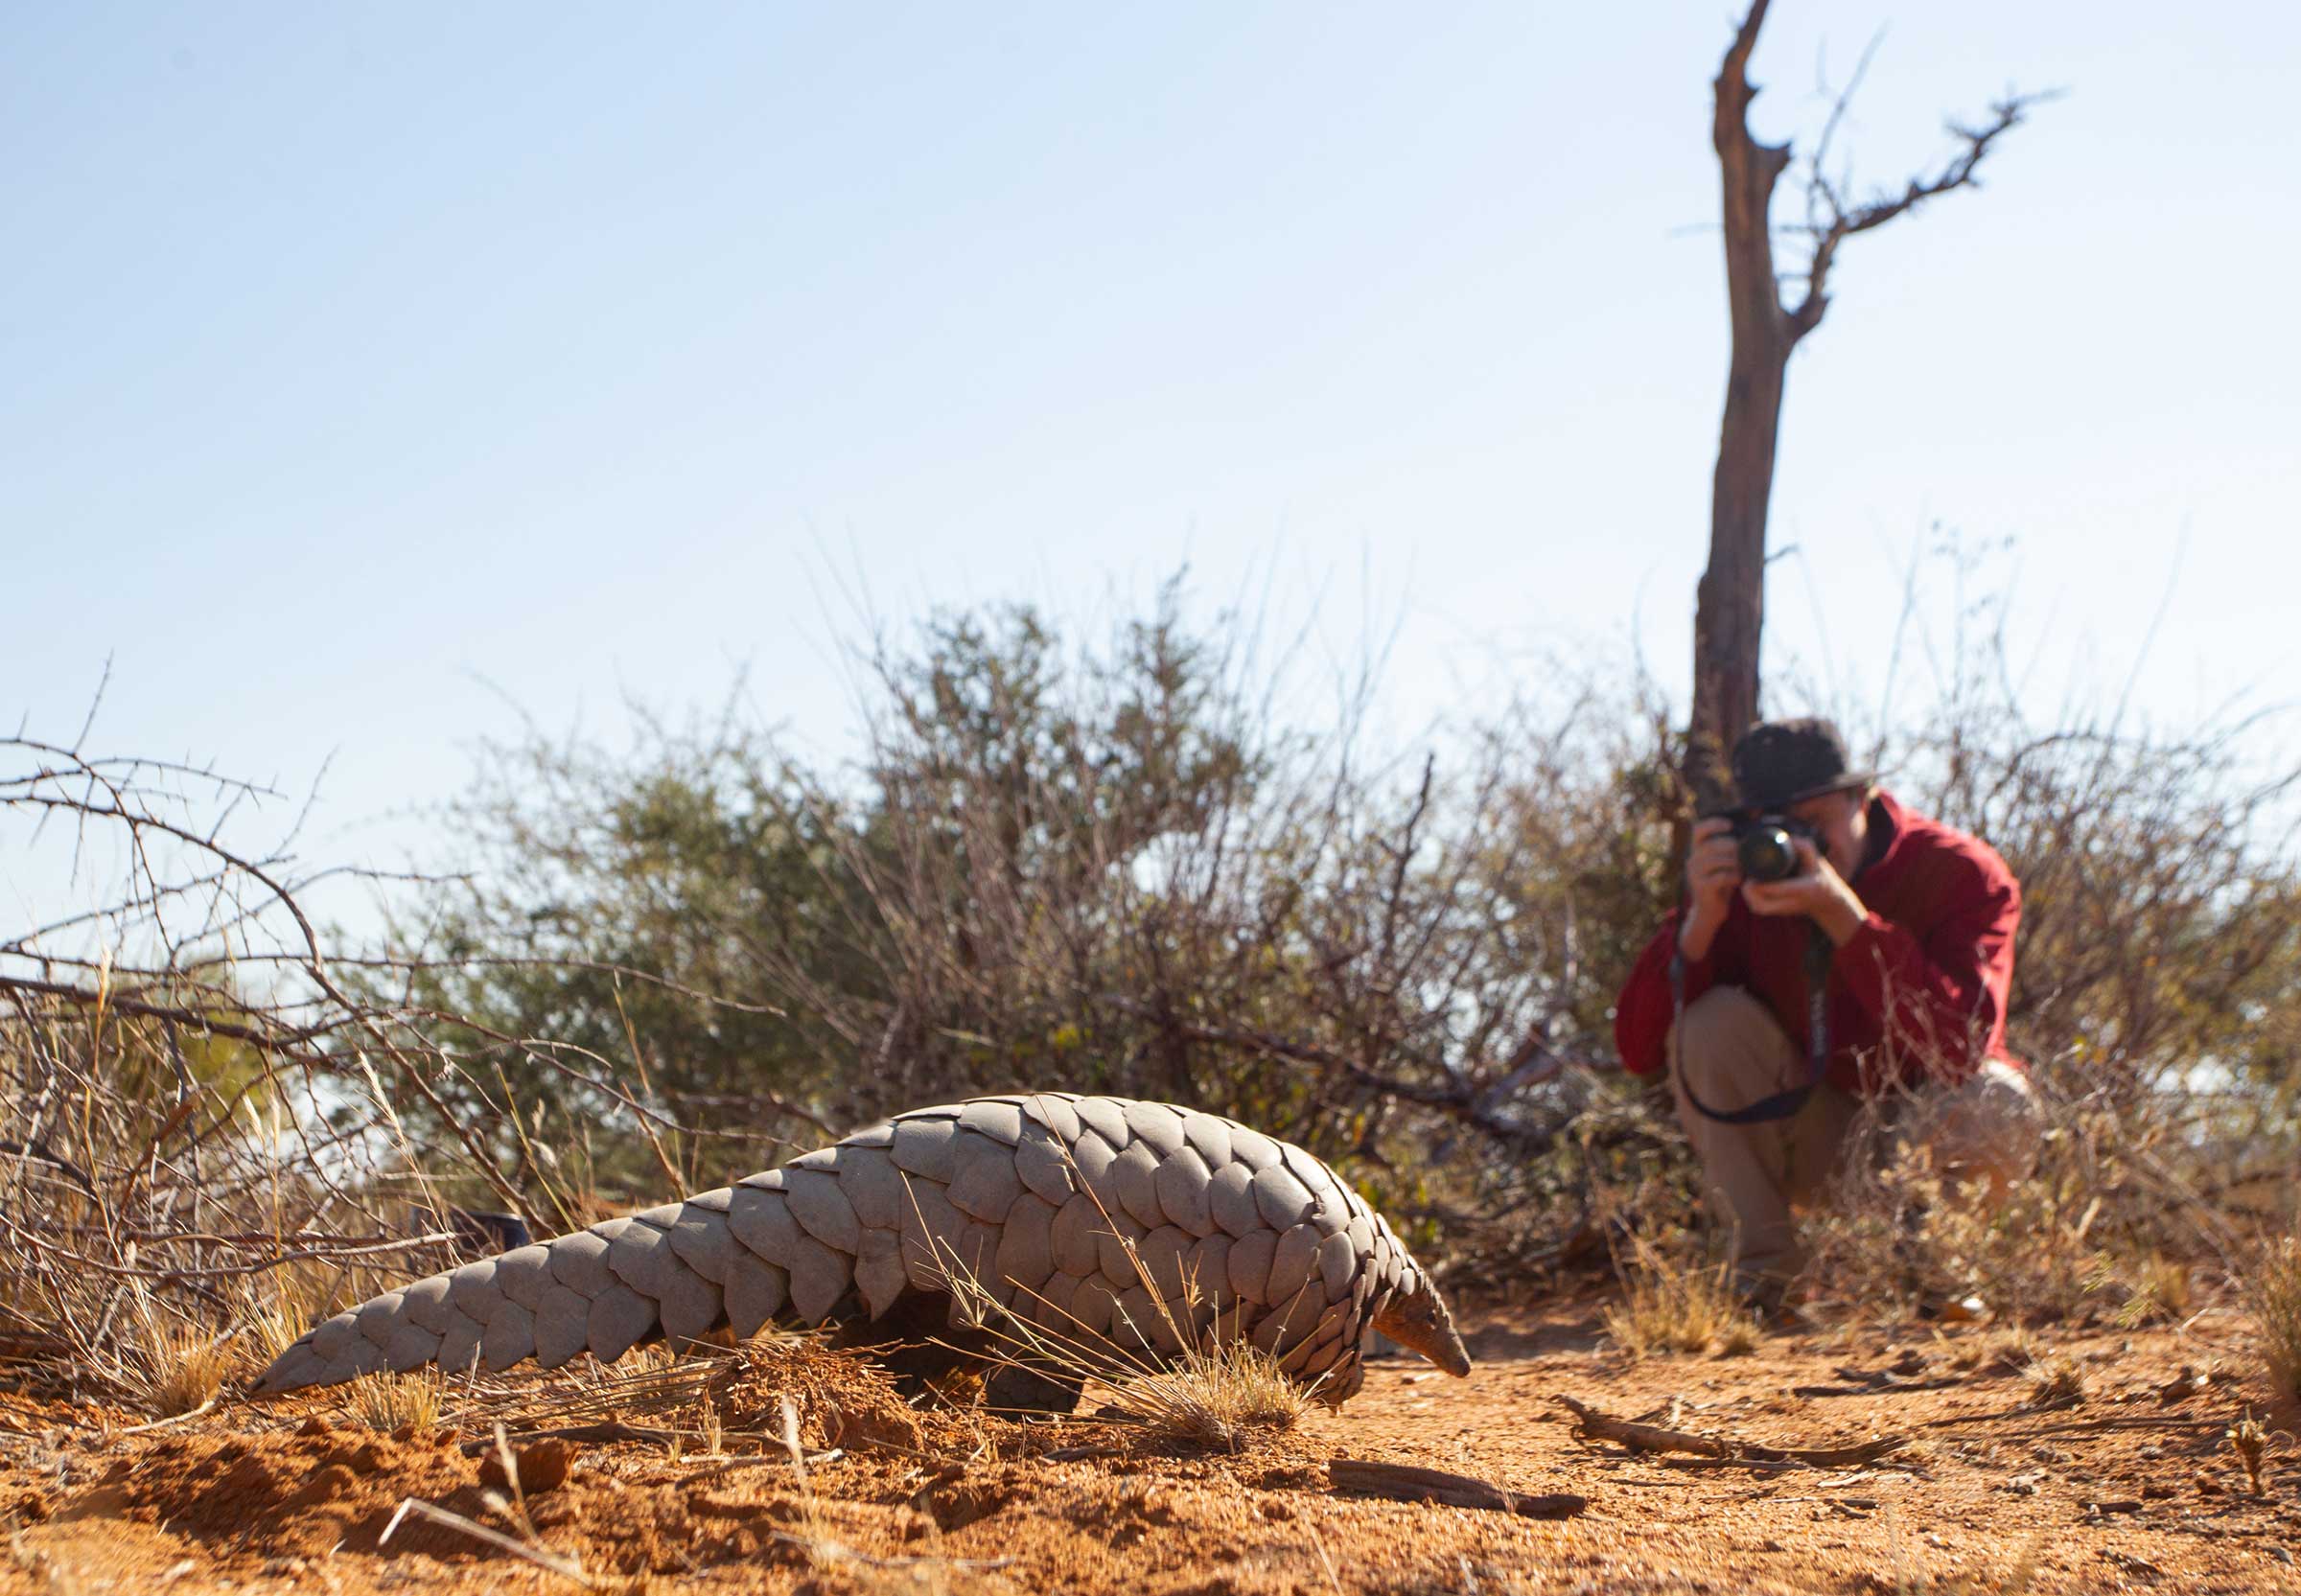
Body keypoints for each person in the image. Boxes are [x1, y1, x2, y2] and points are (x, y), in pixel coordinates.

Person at [1614, 717, 2041, 1308]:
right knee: (1709, 1025)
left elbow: (1962, 1048)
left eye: (1812, 824)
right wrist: (1697, 927)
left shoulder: (1960, 872)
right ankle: (1766, 1282)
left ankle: (1938, 1274)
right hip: (1813, 1137)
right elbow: (1637, 1051)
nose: (1798, 846)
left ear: (1859, 799)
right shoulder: (1739, 883)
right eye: (1775, 828)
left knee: (1998, 1098)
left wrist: (1849, 922)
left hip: (1923, 1137)